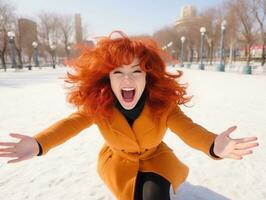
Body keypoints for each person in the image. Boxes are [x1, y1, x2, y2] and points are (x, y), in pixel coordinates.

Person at [0, 31, 259, 200]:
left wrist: (214, 144)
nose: (127, 79)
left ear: (148, 76)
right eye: (117, 72)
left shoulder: (162, 104)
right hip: (118, 161)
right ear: (106, 78)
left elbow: (189, 129)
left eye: (136, 71)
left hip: (156, 158)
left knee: (154, 196)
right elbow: (69, 125)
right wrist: (38, 143)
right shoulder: (99, 105)